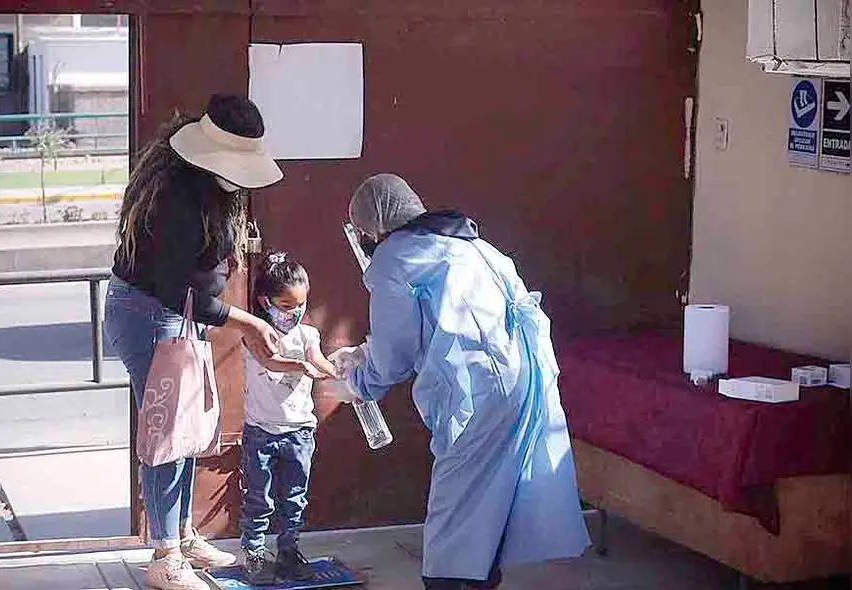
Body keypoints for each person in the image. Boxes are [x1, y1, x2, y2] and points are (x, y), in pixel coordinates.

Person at [339, 174, 592, 590]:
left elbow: (395, 353)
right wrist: (365, 354)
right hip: (523, 378)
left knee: (454, 510)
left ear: (376, 225)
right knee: (490, 502)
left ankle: (448, 582)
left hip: (478, 393)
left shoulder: (392, 259)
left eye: (365, 233)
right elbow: (443, 320)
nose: (366, 241)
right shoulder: (473, 246)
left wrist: (359, 382)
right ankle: (482, 578)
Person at [104, 94, 284, 590]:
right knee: (167, 435)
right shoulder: (177, 198)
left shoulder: (210, 186)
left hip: (174, 315)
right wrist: (247, 323)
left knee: (184, 429)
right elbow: (178, 291)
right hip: (151, 314)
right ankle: (165, 555)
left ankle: (182, 536)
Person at [239, 252, 339, 585]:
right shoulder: (256, 333)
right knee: (258, 497)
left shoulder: (307, 335)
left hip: (299, 433)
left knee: (294, 497)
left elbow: (320, 361)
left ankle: (288, 551)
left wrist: (344, 372)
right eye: (285, 305)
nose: (294, 313)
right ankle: (254, 553)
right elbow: (271, 361)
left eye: (300, 305)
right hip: (261, 432)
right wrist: (301, 367)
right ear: (264, 301)